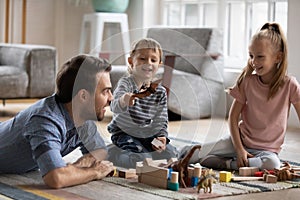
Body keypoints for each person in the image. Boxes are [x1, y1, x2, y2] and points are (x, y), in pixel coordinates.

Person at [185, 22, 300, 171]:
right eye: (251, 56)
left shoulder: (290, 84)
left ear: (278, 57)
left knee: (272, 165)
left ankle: (227, 164)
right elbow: (233, 118)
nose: (254, 61)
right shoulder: (247, 82)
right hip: (237, 142)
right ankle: (180, 154)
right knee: (194, 153)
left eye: (260, 57)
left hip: (267, 151)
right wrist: (239, 150)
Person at [0, 55, 115, 188]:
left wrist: (76, 167)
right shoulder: (44, 120)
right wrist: (94, 172)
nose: (111, 98)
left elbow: (99, 151)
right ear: (83, 96)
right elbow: (55, 179)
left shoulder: (82, 118)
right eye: (105, 91)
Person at [107, 38, 178, 168]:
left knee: (172, 154)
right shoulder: (125, 84)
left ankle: (143, 151)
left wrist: (161, 137)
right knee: (140, 160)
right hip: (125, 133)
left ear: (159, 65)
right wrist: (123, 100)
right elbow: (114, 106)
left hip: (148, 135)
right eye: (142, 59)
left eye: (153, 60)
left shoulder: (160, 92)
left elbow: (161, 119)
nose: (148, 63)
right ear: (131, 62)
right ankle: (112, 153)